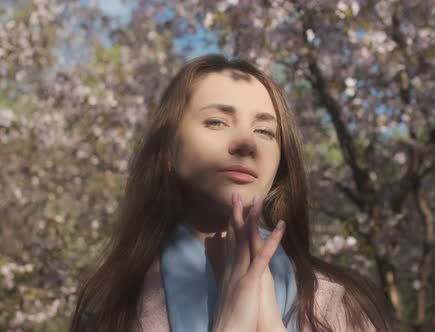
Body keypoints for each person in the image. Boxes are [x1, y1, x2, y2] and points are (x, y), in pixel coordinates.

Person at [69, 54, 397, 331]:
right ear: (168, 149)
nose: (246, 143)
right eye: (217, 122)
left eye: (265, 130)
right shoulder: (112, 307)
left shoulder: (342, 305)